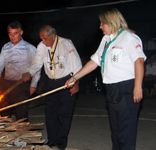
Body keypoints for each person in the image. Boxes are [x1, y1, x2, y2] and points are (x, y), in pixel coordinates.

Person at [65, 8, 146, 150]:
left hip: (126, 88)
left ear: (111, 22)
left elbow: (139, 61)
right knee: (116, 131)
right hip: (111, 89)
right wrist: (75, 77)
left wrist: (137, 87)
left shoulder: (128, 37)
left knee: (126, 132)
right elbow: (94, 62)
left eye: (102, 23)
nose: (100, 26)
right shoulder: (106, 40)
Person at [22, 25, 82, 150]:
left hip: (66, 81)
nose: (43, 41)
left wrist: (76, 82)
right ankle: (52, 140)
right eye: (41, 38)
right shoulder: (41, 46)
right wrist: (29, 72)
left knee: (64, 113)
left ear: (53, 36)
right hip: (50, 83)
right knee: (50, 112)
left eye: (45, 38)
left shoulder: (66, 44)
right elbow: (37, 63)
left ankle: (61, 141)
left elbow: (76, 64)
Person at [0, 21, 40, 121]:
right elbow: (0, 64)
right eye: (10, 33)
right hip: (7, 83)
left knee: (21, 113)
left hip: (22, 84)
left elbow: (36, 67)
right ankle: (6, 135)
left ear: (21, 32)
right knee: (4, 112)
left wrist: (33, 85)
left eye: (15, 33)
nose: (12, 36)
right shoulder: (6, 47)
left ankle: (22, 133)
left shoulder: (29, 48)